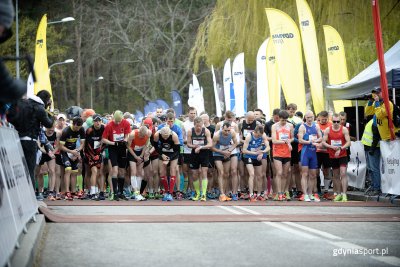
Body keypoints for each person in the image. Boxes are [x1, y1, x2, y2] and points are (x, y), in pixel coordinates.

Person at [7, 90, 54, 189]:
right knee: (29, 170)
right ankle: (31, 199)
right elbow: (49, 124)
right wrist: (51, 112)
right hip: (30, 141)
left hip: (16, 140)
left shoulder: (21, 104)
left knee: (18, 170)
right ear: (45, 99)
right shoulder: (39, 107)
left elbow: (10, 117)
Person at [102, 110, 131, 201]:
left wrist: (125, 140)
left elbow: (127, 134)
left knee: (122, 171)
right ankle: (114, 192)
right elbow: (104, 139)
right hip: (113, 148)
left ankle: (121, 192)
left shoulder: (125, 123)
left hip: (122, 147)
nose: (118, 123)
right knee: (115, 170)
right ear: (114, 118)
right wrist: (113, 143)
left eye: (119, 121)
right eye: (116, 121)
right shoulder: (109, 125)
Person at [322, 113, 351, 202]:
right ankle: (338, 194)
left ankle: (344, 194)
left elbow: (348, 142)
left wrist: (340, 148)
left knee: (343, 173)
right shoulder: (328, 130)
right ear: (332, 120)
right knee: (336, 175)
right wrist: (331, 147)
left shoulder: (344, 129)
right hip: (332, 155)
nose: (336, 123)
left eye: (338, 121)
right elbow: (323, 142)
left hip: (342, 154)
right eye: (334, 121)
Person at [297, 111, 322, 202]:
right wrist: (310, 142)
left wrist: (316, 141)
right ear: (305, 118)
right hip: (305, 153)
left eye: (311, 117)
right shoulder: (302, 127)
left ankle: (310, 193)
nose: (310, 119)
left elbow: (320, 137)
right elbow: (300, 140)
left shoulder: (316, 126)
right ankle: (305, 194)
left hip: (313, 153)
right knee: (304, 174)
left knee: (313, 175)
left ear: (314, 117)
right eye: (308, 117)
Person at [186, 116, 213, 201]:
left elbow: (210, 144)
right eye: (197, 126)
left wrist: (201, 147)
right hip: (195, 153)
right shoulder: (190, 131)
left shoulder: (206, 131)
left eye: (200, 126)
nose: (199, 128)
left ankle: (204, 194)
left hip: (204, 153)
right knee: (194, 174)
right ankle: (197, 193)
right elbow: (188, 144)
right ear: (194, 125)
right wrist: (195, 146)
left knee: (204, 172)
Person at [59, 117, 85, 201]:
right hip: (65, 151)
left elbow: (82, 144)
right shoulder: (66, 131)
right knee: (68, 169)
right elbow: (61, 146)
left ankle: (73, 192)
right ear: (73, 124)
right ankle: (67, 191)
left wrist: (77, 151)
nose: (77, 129)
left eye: (79, 127)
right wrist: (71, 151)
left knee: (75, 172)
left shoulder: (81, 129)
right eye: (76, 127)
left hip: (74, 151)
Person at [152, 126, 181, 201]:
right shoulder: (157, 134)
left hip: (173, 153)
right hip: (163, 152)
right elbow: (155, 146)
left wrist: (169, 159)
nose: (165, 138)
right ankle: (166, 191)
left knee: (172, 170)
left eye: (167, 136)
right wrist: (162, 154)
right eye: (163, 136)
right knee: (161, 172)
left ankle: (170, 193)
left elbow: (178, 150)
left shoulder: (174, 136)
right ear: (161, 133)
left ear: (170, 133)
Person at [212, 121, 238, 201]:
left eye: (228, 130)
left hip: (226, 153)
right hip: (217, 154)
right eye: (225, 130)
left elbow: (236, 143)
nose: (227, 132)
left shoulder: (232, 133)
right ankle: (222, 193)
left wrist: (230, 150)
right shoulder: (217, 135)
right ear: (222, 129)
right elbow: (212, 147)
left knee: (226, 174)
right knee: (221, 172)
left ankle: (226, 193)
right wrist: (223, 152)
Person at [242, 125, 270, 201]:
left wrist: (262, 152)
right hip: (248, 156)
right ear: (255, 132)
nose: (259, 136)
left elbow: (268, 147)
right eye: (258, 135)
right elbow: (244, 150)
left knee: (260, 175)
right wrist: (255, 153)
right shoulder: (249, 136)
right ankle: (251, 194)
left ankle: (259, 194)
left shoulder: (263, 135)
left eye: (260, 135)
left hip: (257, 156)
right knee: (252, 174)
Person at [271, 110, 294, 201]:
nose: (284, 122)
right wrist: (285, 141)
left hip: (287, 152)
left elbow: (292, 138)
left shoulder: (290, 126)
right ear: (279, 118)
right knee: (279, 172)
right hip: (277, 152)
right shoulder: (274, 126)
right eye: (282, 120)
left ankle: (284, 192)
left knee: (285, 173)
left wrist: (290, 142)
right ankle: (279, 192)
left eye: (285, 120)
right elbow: (274, 140)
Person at [127, 125, 152, 201]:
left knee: (140, 172)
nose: (141, 137)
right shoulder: (132, 134)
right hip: (132, 152)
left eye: (143, 136)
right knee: (133, 171)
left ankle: (138, 192)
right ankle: (136, 192)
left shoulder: (148, 135)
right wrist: (135, 157)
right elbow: (128, 146)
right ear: (139, 131)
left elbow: (145, 146)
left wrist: (141, 156)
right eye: (140, 135)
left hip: (140, 152)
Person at [84, 114, 106, 200]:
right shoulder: (89, 130)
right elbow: (88, 145)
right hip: (89, 153)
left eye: (99, 121)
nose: (98, 122)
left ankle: (101, 192)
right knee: (92, 171)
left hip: (99, 152)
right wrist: (93, 156)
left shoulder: (104, 128)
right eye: (96, 121)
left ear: (101, 121)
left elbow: (104, 142)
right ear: (93, 122)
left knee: (100, 173)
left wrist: (99, 153)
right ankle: (91, 192)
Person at [361, 119, 381, 196]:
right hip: (369, 148)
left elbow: (376, 136)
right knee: (370, 169)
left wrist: (372, 149)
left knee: (374, 169)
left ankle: (376, 188)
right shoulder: (373, 120)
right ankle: (373, 186)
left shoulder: (375, 120)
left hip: (373, 148)